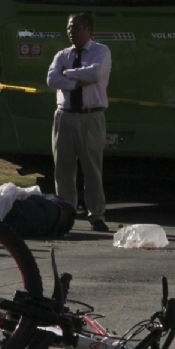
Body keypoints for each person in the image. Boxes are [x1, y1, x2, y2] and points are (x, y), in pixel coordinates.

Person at [45, 13, 112, 232]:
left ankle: (96, 214)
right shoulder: (62, 54)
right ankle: (66, 213)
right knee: (63, 168)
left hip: (90, 116)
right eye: (69, 28)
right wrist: (75, 83)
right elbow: (52, 79)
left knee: (91, 167)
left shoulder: (101, 51)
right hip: (64, 115)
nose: (71, 32)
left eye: (75, 27)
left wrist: (68, 74)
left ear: (88, 30)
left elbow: (94, 74)